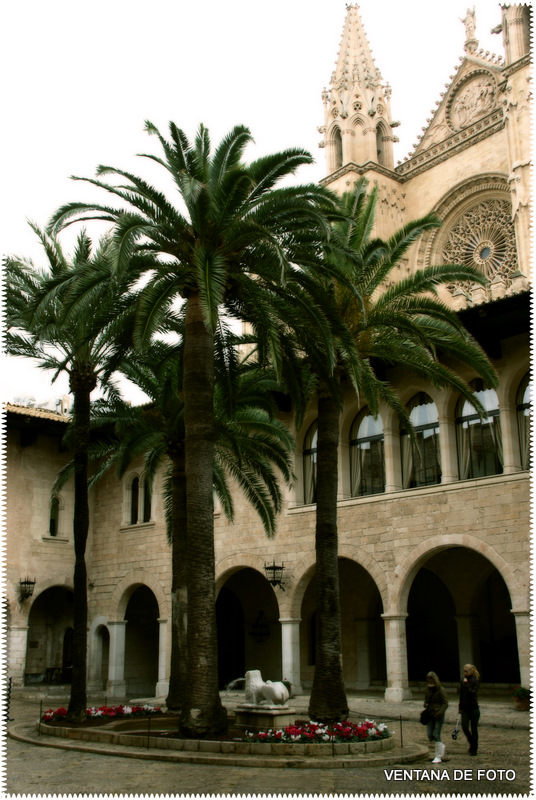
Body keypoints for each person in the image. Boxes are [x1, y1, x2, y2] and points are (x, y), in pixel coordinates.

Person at [424, 671, 449, 763]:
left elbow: (445, 703)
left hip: (438, 714)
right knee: (429, 734)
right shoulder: (427, 689)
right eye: (429, 680)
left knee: (436, 734)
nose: (430, 682)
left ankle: (438, 756)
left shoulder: (440, 689)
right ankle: (440, 746)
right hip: (430, 714)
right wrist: (426, 705)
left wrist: (439, 712)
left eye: (432, 680)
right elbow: (426, 700)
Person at [459, 663, 480, 755]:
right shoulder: (463, 680)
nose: (465, 673)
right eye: (464, 672)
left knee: (474, 728)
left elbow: (473, 692)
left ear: (471, 671)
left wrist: (467, 684)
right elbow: (461, 694)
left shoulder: (475, 680)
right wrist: (460, 706)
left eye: (466, 672)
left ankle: (474, 748)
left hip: (473, 707)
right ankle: (472, 742)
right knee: (464, 727)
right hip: (465, 707)